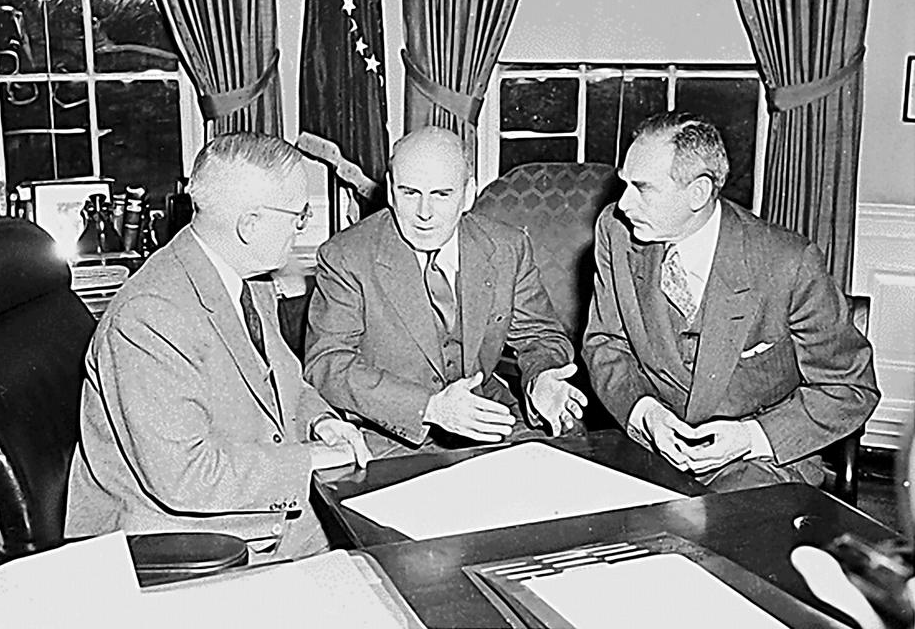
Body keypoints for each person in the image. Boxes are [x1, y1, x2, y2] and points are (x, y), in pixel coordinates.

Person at [65, 133, 370, 561]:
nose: (302, 228)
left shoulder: (247, 278)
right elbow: (186, 477)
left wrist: (321, 422)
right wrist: (311, 459)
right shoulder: (150, 317)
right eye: (298, 215)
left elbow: (284, 383)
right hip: (184, 540)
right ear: (250, 225)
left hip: (247, 510)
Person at [583, 111, 879, 491]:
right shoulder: (616, 233)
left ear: (699, 193)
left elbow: (851, 390)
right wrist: (645, 413)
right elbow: (606, 342)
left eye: (642, 188)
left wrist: (751, 437)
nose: (623, 204)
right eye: (625, 184)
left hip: (759, 465)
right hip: (648, 449)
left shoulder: (787, 262)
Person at [304, 126, 586, 456]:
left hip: (491, 419)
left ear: (468, 195)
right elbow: (326, 362)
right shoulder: (346, 255)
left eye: (441, 194)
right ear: (391, 193)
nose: (424, 213)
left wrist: (541, 378)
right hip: (388, 434)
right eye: (410, 193)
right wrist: (432, 408)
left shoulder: (507, 247)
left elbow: (540, 335)